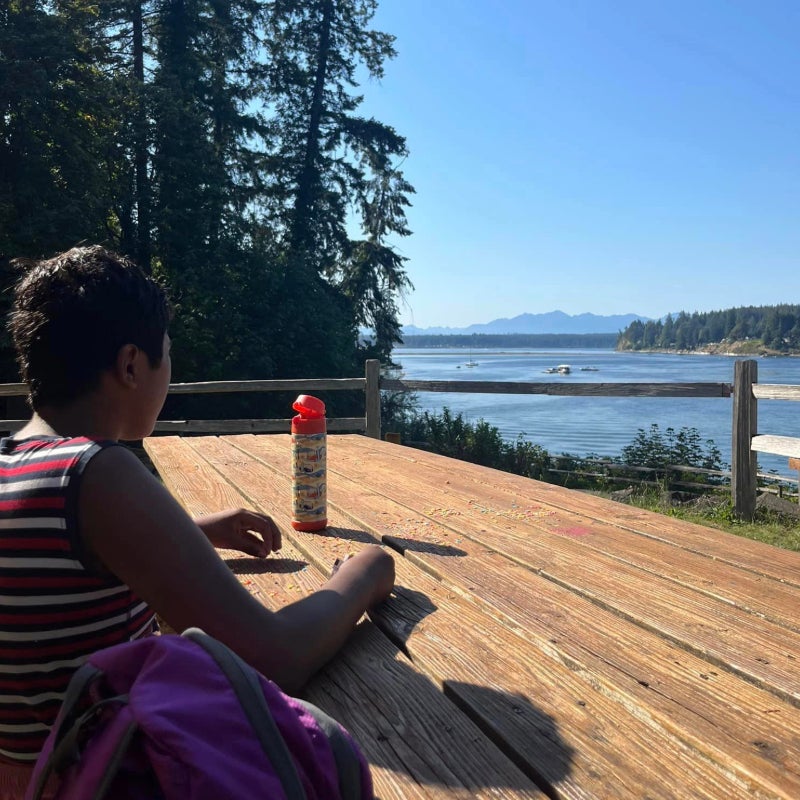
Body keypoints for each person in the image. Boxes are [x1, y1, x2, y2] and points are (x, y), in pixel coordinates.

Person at [0, 245, 395, 793]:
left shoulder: (18, 469)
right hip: (99, 777)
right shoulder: (97, 474)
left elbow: (61, 564)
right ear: (132, 365)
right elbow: (277, 655)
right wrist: (365, 576)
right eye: (168, 351)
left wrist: (197, 530)